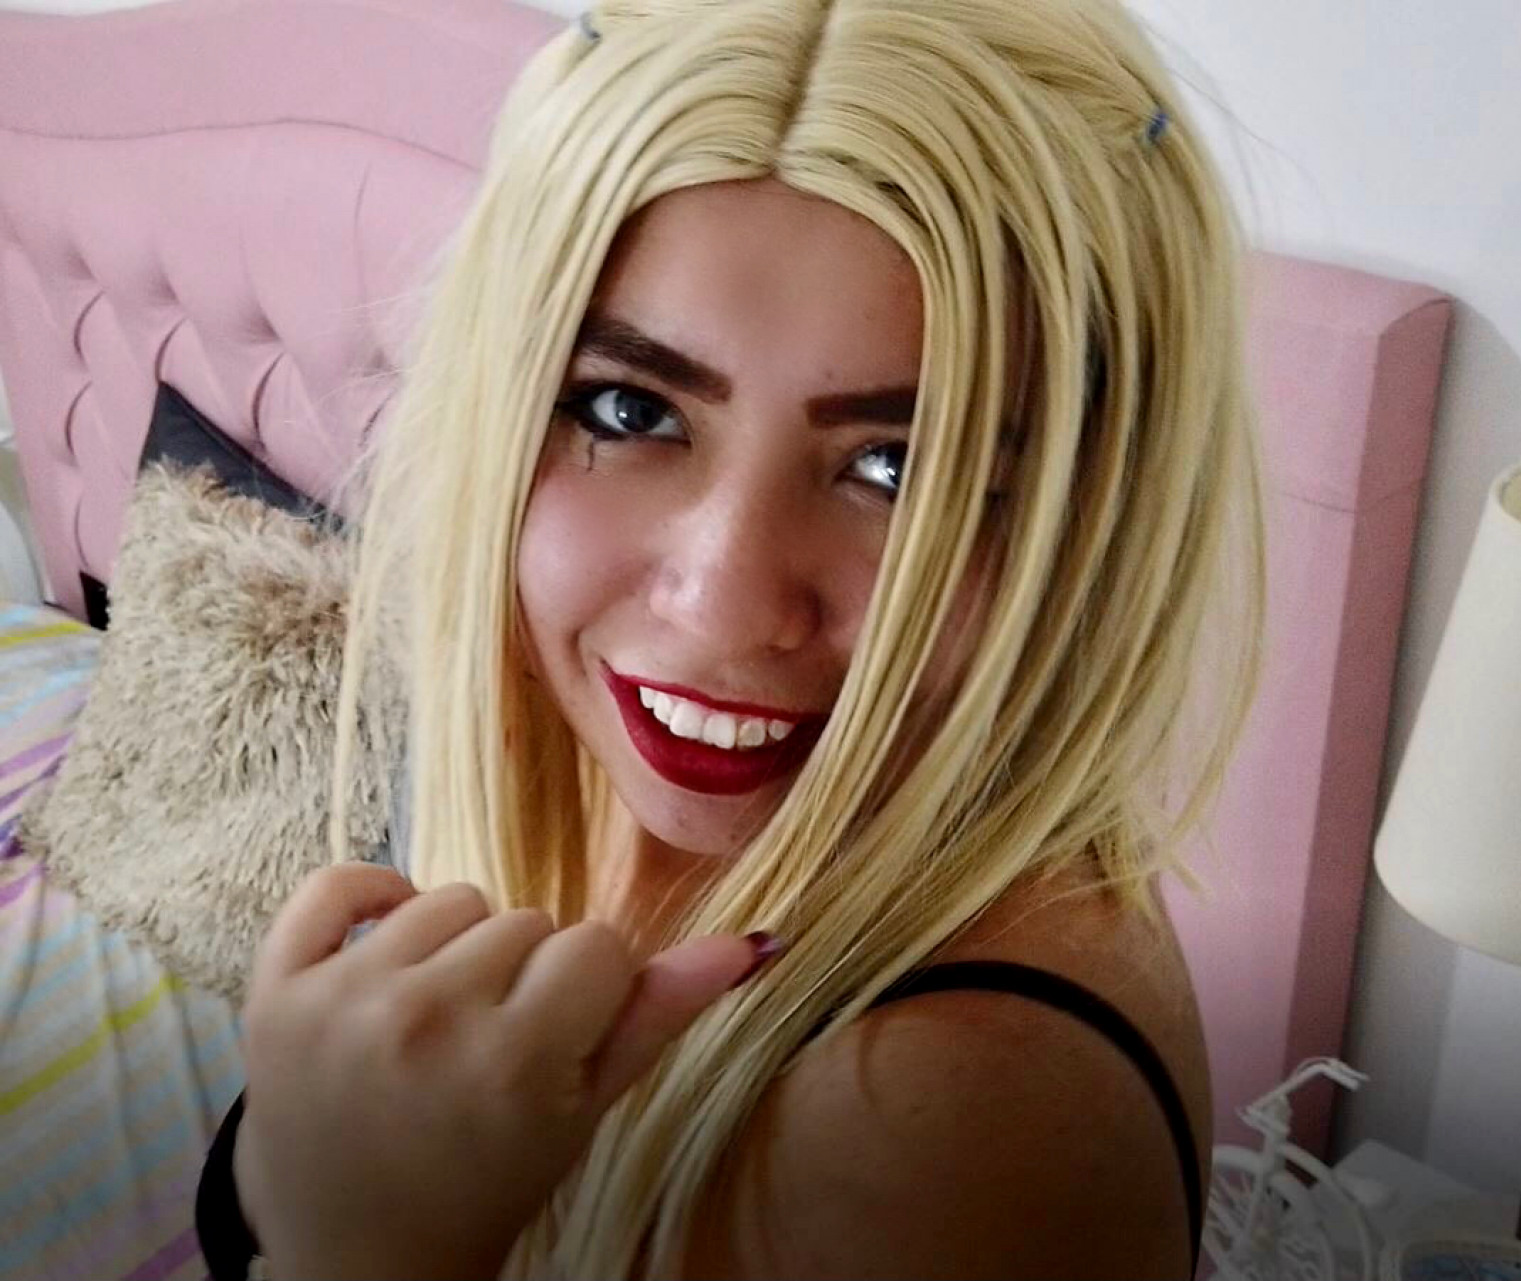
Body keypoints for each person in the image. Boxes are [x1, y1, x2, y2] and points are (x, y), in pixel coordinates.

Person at [195, 0, 1265, 1276]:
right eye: (625, 409)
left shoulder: (929, 1121)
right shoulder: (589, 775)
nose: (721, 605)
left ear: (1093, 528)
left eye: (899, 469)